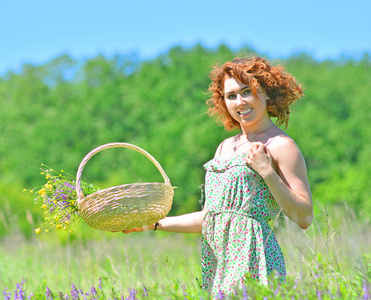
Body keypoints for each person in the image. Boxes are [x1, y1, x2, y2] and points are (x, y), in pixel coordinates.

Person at [123, 56, 313, 296]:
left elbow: (304, 217)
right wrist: (154, 224)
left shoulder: (281, 146)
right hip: (220, 264)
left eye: (247, 91)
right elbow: (213, 217)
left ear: (265, 93)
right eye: (231, 96)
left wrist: (267, 172)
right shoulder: (224, 148)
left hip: (256, 261)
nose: (239, 102)